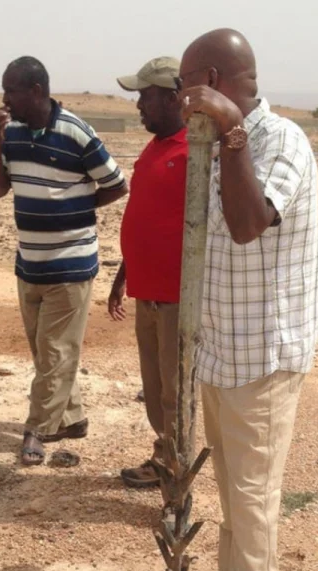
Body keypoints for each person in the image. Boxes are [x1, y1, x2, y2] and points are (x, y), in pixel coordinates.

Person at [178, 29, 318, 571]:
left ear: (211, 79)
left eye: (186, 85)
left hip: (263, 351)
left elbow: (246, 224)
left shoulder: (278, 140)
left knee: (256, 498)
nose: (180, 99)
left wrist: (233, 136)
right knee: (232, 483)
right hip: (220, 344)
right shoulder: (210, 143)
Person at [0, 56, 127, 465]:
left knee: (54, 351)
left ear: (36, 91)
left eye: (11, 90)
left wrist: (77, 206)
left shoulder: (75, 132)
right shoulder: (12, 133)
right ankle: (72, 417)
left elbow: (117, 184)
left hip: (70, 263)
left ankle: (39, 428)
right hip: (29, 262)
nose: (5, 99)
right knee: (47, 351)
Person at [109, 57, 187, 489]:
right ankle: (164, 458)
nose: (139, 105)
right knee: (156, 390)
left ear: (174, 97)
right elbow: (144, 216)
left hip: (177, 297)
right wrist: (123, 276)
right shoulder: (155, 148)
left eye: (146, 96)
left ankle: (177, 479)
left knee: (175, 393)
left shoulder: (195, 151)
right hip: (147, 292)